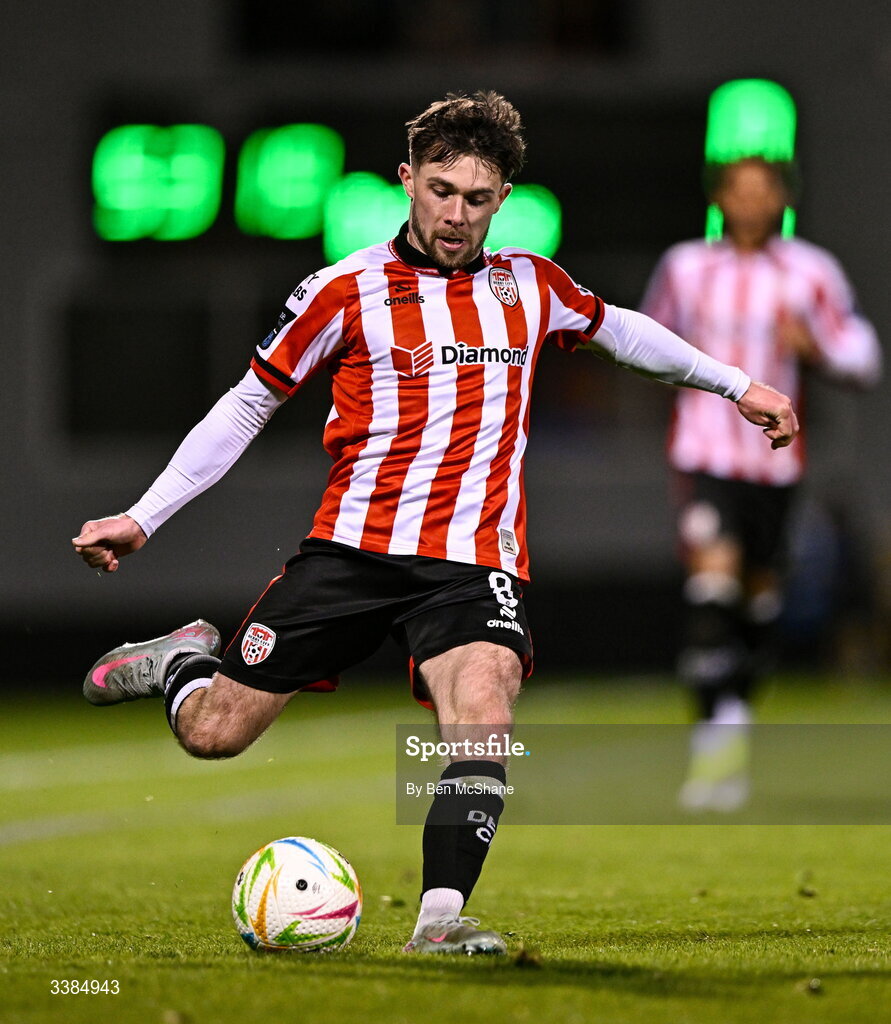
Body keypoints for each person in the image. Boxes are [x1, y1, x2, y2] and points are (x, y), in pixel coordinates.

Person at [73, 93, 798, 952]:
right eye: (442, 191)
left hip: (472, 563)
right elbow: (246, 405)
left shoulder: (530, 285)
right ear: (407, 180)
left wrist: (735, 385)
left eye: (478, 198)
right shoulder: (344, 289)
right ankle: (182, 665)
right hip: (351, 552)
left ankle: (440, 921)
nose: (456, 215)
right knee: (213, 735)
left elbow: (626, 334)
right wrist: (143, 516)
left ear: (503, 200)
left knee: (484, 709)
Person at [641, 156, 881, 812]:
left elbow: (862, 356)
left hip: (774, 463)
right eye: (737, 191)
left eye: (762, 191)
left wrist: (815, 348)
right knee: (711, 592)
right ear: (719, 198)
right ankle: (709, 752)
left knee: (757, 607)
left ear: (781, 201)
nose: (749, 203)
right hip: (704, 455)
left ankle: (731, 725)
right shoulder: (686, 267)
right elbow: (644, 340)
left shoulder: (810, 271)